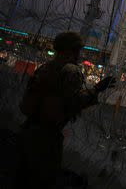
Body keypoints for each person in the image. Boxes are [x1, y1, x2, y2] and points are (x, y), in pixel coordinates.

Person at [14, 31, 115, 188]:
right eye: (77, 50)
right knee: (43, 180)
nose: (78, 54)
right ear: (70, 50)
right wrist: (97, 88)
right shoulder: (70, 70)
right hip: (46, 138)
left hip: (28, 130)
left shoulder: (46, 67)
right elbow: (76, 101)